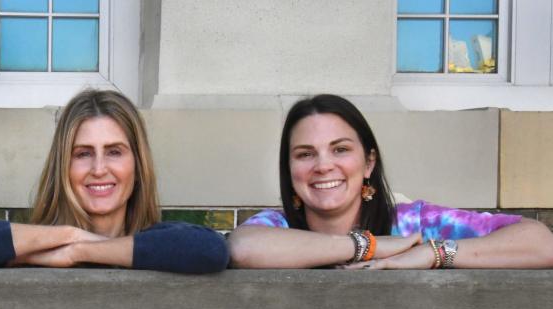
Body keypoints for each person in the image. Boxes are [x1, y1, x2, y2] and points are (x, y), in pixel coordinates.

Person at [228, 94, 553, 269]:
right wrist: (369, 247)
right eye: (305, 154)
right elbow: (241, 248)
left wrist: (433, 253)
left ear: (369, 162)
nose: (324, 165)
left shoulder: (414, 223)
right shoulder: (277, 225)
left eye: (340, 149)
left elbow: (541, 244)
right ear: (289, 168)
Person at [0, 90, 229, 273]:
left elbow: (211, 251)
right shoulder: (32, 249)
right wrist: (69, 236)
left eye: (114, 152)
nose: (99, 169)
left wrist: (81, 251)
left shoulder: (161, 244)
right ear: (63, 165)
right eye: (83, 154)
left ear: (138, 164)